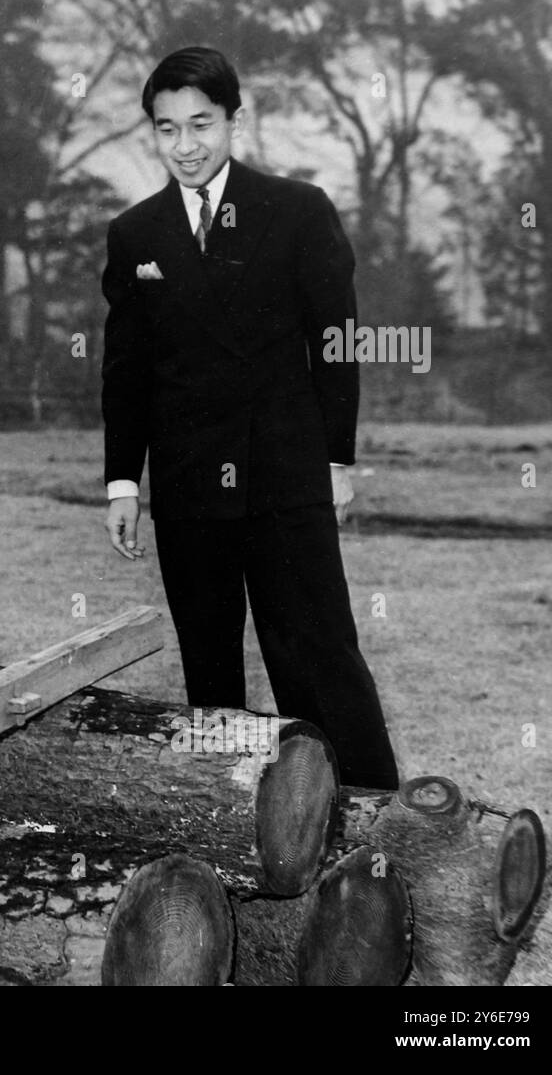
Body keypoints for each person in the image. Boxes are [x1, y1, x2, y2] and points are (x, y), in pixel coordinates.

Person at [101, 46, 399, 789]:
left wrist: (337, 461)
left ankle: (373, 823)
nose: (186, 145)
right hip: (189, 484)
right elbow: (126, 370)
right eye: (166, 129)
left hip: (285, 478)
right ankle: (231, 829)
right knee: (208, 668)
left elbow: (336, 344)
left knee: (318, 657)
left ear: (236, 120)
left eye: (201, 124)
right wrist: (120, 483)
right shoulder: (135, 235)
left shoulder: (298, 211)